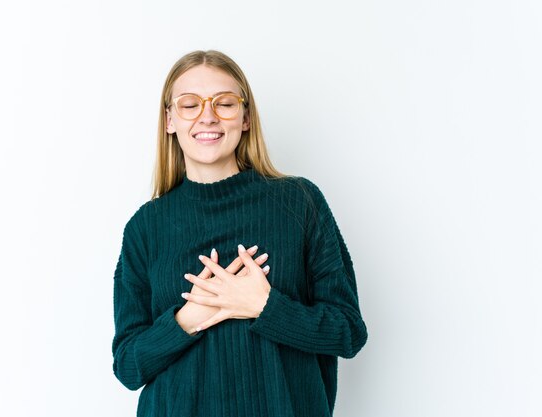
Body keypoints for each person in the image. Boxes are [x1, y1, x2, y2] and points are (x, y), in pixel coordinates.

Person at [111, 49, 368, 417]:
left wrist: (265, 307)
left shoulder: (299, 202)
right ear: (169, 120)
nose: (208, 116)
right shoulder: (145, 227)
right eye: (189, 105)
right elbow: (128, 366)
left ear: (245, 117)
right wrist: (188, 318)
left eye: (225, 103)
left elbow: (348, 332)